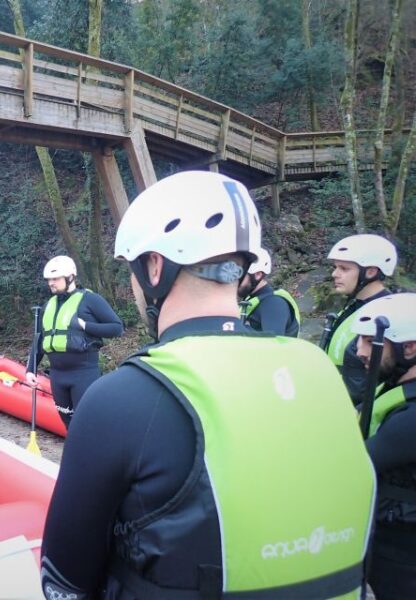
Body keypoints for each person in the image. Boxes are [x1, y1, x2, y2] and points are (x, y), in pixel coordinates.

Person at [40, 171, 375, 599]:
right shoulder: (318, 369)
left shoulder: (121, 398)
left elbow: (64, 579)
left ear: (155, 266)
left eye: (133, 270)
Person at [350, 293, 416, 599]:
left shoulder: (412, 415)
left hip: (403, 556)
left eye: (369, 342)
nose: (359, 351)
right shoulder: (392, 387)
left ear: (410, 347)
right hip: (387, 542)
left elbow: (357, 462)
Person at [25, 255, 123, 427]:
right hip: (57, 376)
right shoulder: (49, 304)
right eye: (49, 279)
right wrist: (30, 370)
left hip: (83, 373)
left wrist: (86, 326)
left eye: (55, 278)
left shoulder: (90, 300)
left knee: (86, 424)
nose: (51, 283)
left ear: (70, 277)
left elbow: (116, 328)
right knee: (68, 423)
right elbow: (40, 339)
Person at [322, 233, 398, 402]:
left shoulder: (386, 316)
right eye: (335, 267)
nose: (335, 274)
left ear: (371, 272)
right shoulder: (354, 307)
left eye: (344, 268)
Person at [237, 246, 300, 336]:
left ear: (258, 275)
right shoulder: (253, 300)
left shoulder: (274, 304)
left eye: (239, 275)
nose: (234, 281)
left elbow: (274, 346)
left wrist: (245, 330)